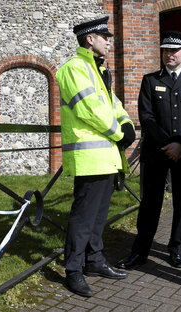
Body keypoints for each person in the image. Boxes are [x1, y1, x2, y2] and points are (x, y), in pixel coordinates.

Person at [56, 16, 135, 297]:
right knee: (83, 217)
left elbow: (113, 104)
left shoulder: (99, 70)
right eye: (105, 37)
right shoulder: (74, 68)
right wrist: (119, 133)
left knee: (98, 216)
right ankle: (73, 270)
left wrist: (126, 123)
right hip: (90, 157)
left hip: (106, 156)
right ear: (90, 39)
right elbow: (89, 109)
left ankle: (95, 261)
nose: (108, 42)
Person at [116, 31, 181, 271]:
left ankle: (177, 250)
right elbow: (146, 117)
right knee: (150, 203)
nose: (169, 55)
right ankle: (140, 251)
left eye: (174, 51)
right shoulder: (150, 80)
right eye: (166, 50)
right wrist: (168, 144)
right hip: (156, 153)